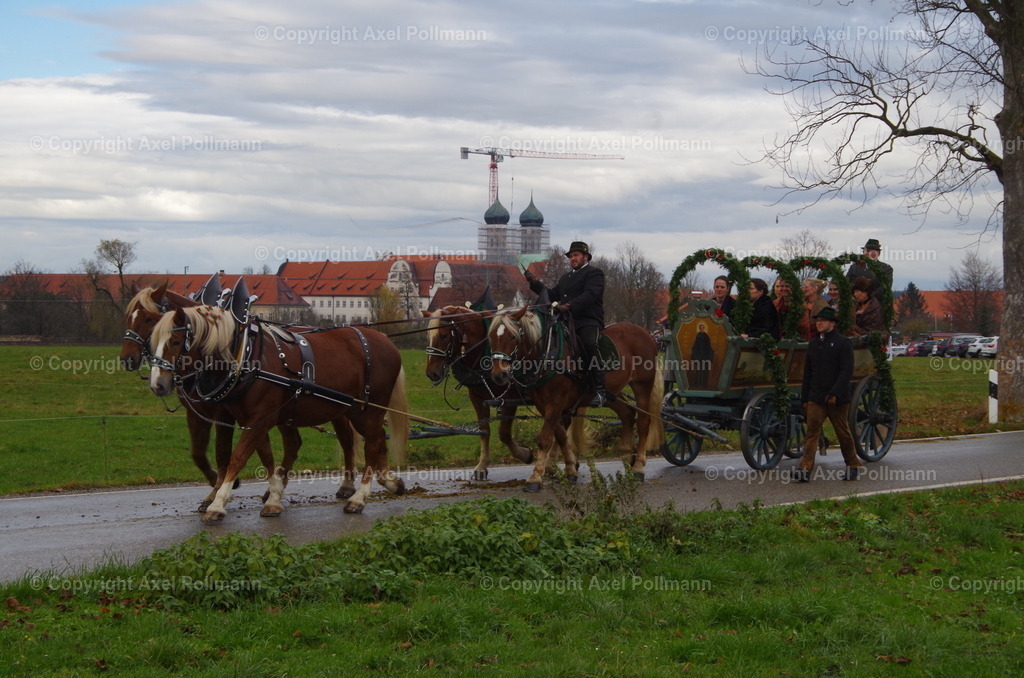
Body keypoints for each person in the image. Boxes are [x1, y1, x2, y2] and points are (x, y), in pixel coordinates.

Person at [524, 241, 613, 406]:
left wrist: (569, 306)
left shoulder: (595, 273)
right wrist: (534, 282)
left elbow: (591, 294)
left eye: (576, 255)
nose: (572, 258)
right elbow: (551, 294)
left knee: (588, 342)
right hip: (565, 319)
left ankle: (600, 390)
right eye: (571, 256)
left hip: (587, 319)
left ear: (585, 257)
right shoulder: (566, 277)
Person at [794, 307, 864, 482]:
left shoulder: (843, 343)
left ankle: (853, 464)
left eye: (822, 320)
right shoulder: (814, 343)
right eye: (817, 320)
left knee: (842, 432)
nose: (818, 323)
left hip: (837, 399)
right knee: (812, 433)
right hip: (816, 397)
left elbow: (846, 371)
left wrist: (835, 393)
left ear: (832, 323)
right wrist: (805, 398)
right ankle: (805, 468)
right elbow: (808, 372)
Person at [846, 238, 894, 305]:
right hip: (854, 304)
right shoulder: (854, 267)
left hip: (876, 305)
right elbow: (847, 283)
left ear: (878, 253)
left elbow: (885, 288)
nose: (869, 253)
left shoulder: (886, 268)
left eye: (872, 251)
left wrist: (868, 298)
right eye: (867, 251)